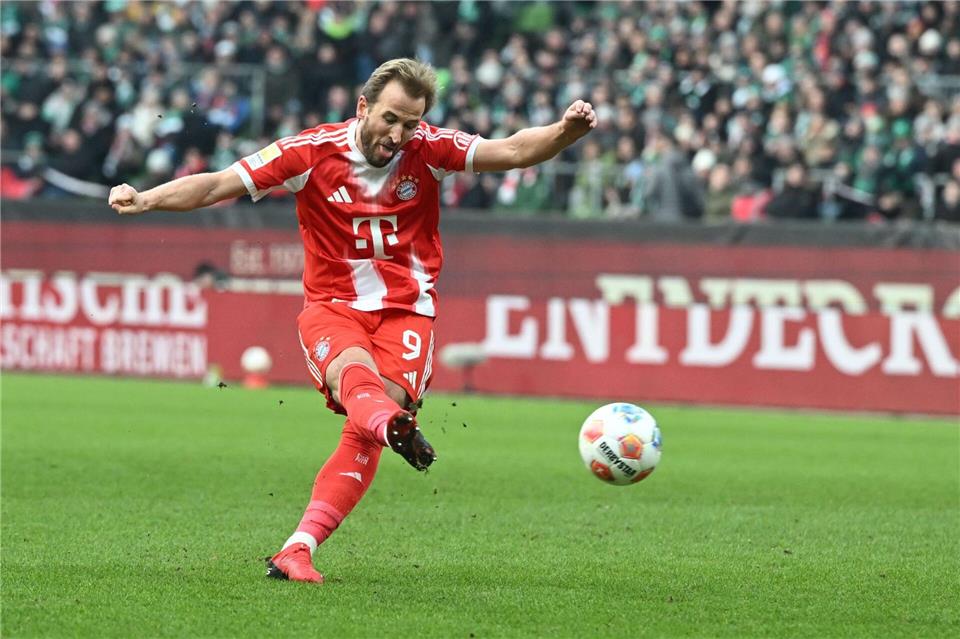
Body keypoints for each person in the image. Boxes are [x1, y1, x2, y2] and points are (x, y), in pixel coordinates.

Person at [107, 58, 596, 584]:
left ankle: (298, 548)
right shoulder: (309, 152)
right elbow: (216, 185)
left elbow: (514, 150)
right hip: (333, 305)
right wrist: (146, 199)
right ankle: (391, 425)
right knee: (358, 383)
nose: (399, 135)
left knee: (371, 419)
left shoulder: (429, 149)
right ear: (363, 107)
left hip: (408, 310)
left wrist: (565, 132)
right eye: (390, 119)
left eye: (410, 123)